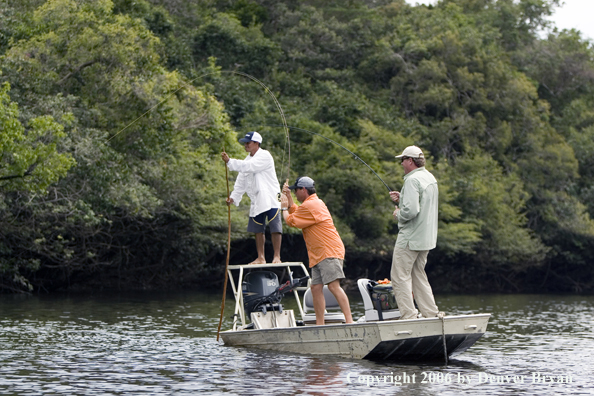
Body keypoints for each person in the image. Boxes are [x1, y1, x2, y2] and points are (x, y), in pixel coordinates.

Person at [280, 176, 353, 325]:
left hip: (328, 251)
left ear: (304, 190)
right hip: (318, 254)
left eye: (296, 191)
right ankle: (320, 324)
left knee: (333, 286)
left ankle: (350, 321)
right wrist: (288, 197)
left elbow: (291, 220)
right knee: (315, 287)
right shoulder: (311, 203)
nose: (295, 194)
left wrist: (283, 206)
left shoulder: (312, 205)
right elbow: (296, 211)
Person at [389, 145, 442, 320]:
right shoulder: (430, 178)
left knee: (399, 276)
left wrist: (398, 213)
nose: (401, 164)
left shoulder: (412, 180)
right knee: (418, 275)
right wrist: (402, 197)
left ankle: (408, 316)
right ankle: (430, 313)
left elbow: (411, 211)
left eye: (402, 160)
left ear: (410, 161)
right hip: (426, 238)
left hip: (410, 238)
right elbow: (421, 204)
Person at [221, 131, 282, 264]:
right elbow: (241, 181)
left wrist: (230, 162)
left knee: (274, 226)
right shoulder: (246, 160)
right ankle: (261, 257)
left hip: (270, 196)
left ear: (257, 143)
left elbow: (249, 167)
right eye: (245, 143)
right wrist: (233, 197)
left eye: (248, 143)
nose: (246, 145)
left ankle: (276, 256)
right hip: (257, 199)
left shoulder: (265, 156)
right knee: (257, 228)